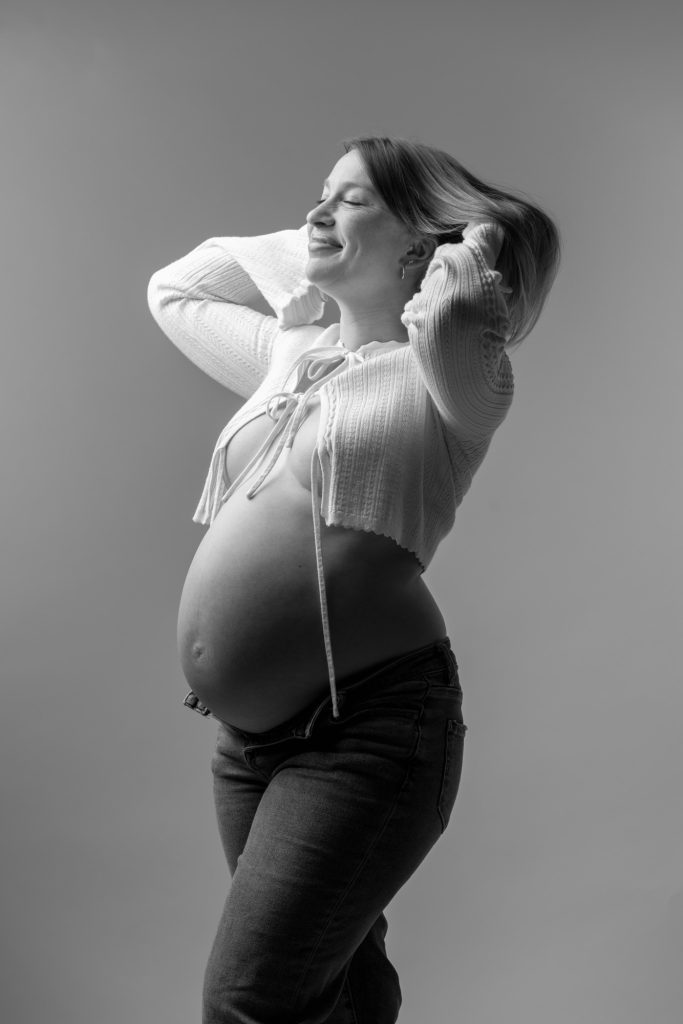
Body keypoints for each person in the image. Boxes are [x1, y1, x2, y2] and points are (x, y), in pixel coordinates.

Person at [146, 135, 560, 1024]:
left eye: (351, 199)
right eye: (317, 196)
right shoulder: (288, 356)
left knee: (253, 1002)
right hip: (250, 742)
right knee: (337, 991)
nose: (315, 214)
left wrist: (465, 245)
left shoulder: (456, 377)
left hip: (368, 728)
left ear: (422, 239)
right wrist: (331, 239)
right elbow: (177, 286)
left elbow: (449, 319)